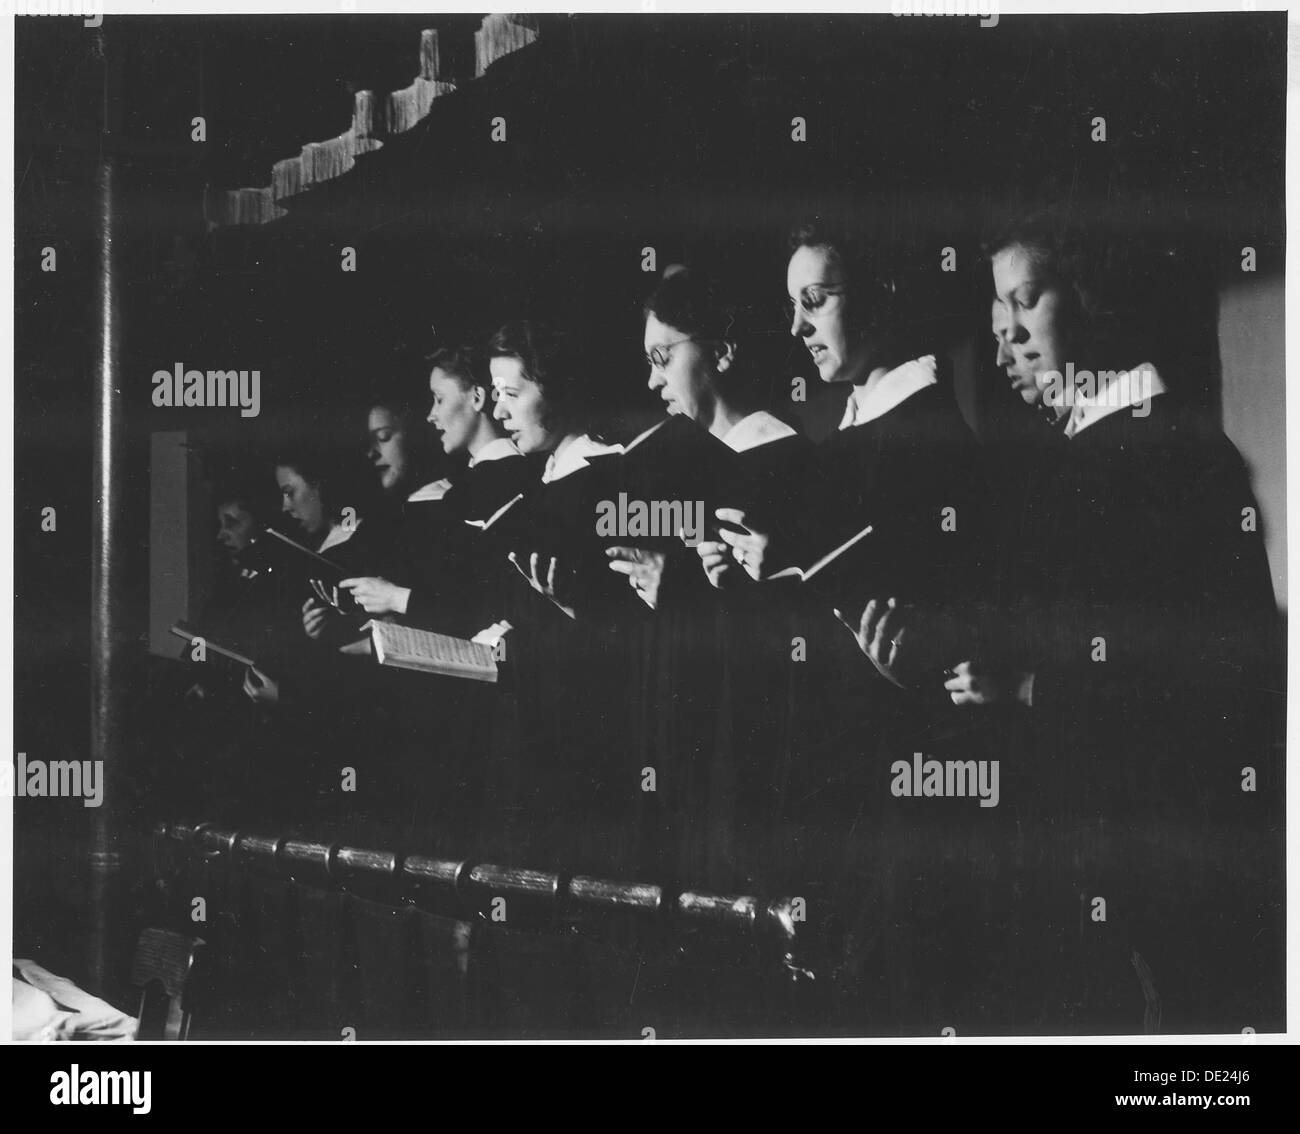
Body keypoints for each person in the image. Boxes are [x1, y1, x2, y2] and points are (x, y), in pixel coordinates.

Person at [946, 207, 1282, 1032]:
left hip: (1174, 881)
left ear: (1091, 302)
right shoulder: (1095, 456)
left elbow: (1198, 685)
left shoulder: (1159, 454)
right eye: (997, 320)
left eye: (1026, 304)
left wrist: (1025, 689)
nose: (1007, 342)